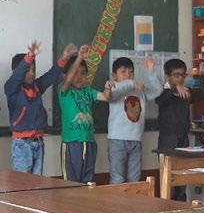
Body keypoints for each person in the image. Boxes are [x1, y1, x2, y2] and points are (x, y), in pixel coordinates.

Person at [4, 41, 76, 174]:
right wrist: (30, 56)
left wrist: (64, 57)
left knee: (37, 182)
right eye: (27, 70)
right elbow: (17, 76)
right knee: (22, 183)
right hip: (21, 145)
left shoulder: (37, 86)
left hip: (38, 142)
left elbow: (52, 75)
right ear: (17, 71)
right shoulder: (11, 88)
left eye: (34, 69)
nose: (32, 73)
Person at [155, 59, 204, 200]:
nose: (180, 78)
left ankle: (182, 207)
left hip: (183, 139)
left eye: (183, 75)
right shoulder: (162, 91)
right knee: (168, 181)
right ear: (168, 76)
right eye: (176, 75)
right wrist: (174, 90)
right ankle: (167, 209)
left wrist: (202, 75)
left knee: (182, 179)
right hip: (167, 141)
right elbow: (160, 100)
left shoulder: (186, 92)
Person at [58, 45, 112, 183]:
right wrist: (80, 57)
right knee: (71, 183)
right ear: (66, 75)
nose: (79, 77)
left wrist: (108, 88)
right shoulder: (64, 91)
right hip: (71, 144)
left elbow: (106, 97)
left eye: (83, 73)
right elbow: (68, 80)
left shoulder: (88, 91)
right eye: (75, 72)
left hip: (89, 143)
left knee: (88, 182)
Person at [107, 56, 162, 183]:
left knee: (134, 179)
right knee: (117, 179)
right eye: (123, 72)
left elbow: (157, 90)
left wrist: (151, 71)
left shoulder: (138, 91)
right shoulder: (113, 88)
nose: (128, 75)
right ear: (114, 76)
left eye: (131, 72)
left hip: (136, 140)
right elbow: (113, 92)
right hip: (117, 140)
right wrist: (131, 83)